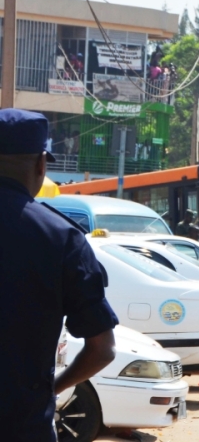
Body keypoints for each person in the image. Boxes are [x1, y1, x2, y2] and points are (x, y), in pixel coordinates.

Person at [0, 109, 119, 441]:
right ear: (41, 165)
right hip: (22, 426)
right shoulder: (62, 238)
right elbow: (103, 349)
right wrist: (51, 389)